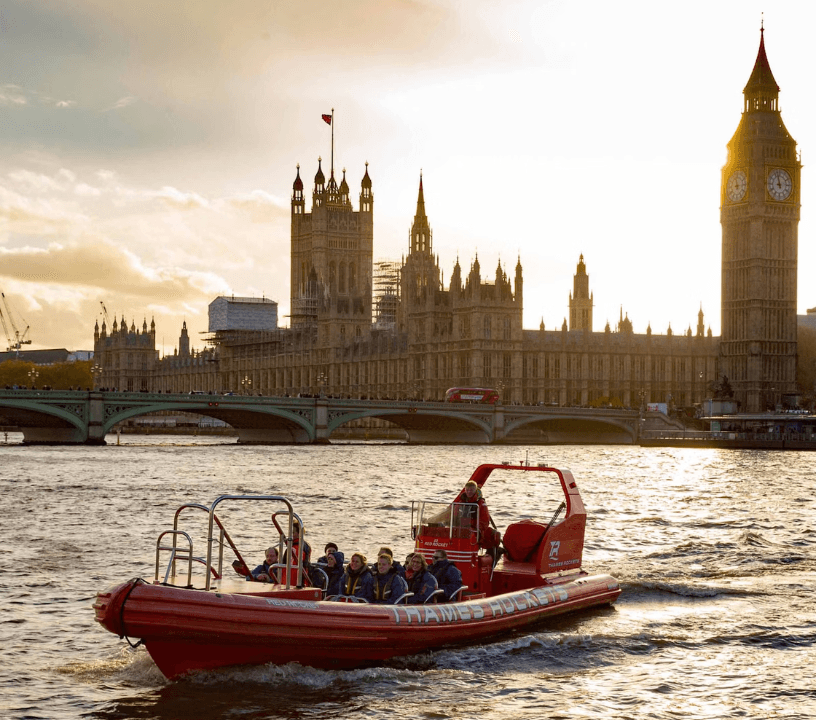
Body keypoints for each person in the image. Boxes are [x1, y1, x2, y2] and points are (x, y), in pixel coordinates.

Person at [454, 480, 501, 559]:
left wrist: (475, 529)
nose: (469, 492)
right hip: (461, 530)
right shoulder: (460, 503)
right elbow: (455, 517)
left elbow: (485, 521)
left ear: (475, 490)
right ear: (465, 490)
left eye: (471, 490)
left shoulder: (481, 504)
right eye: (467, 490)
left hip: (475, 531)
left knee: (491, 536)